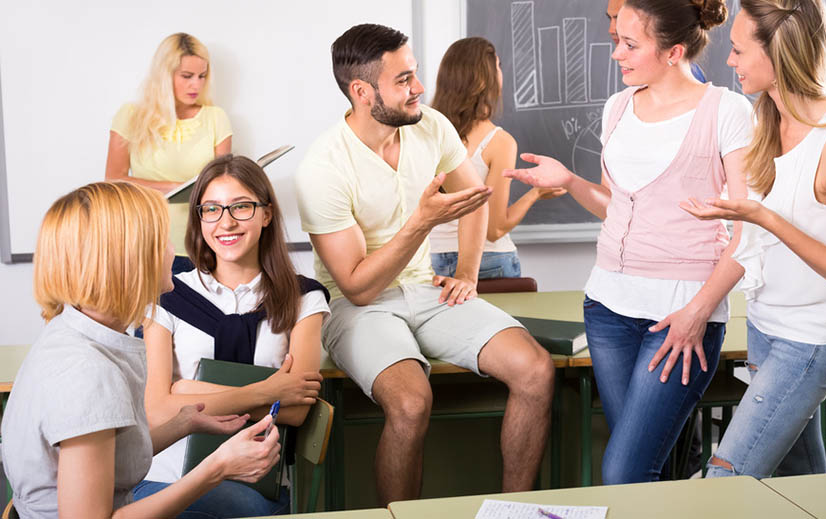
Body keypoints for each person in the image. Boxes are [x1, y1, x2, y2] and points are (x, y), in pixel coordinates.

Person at [294, 23, 555, 505]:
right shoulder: (322, 167)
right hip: (357, 308)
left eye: (414, 74)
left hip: (426, 289)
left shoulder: (429, 124)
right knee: (412, 403)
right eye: (403, 80)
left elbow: (474, 198)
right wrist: (419, 225)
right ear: (361, 91)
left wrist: (469, 274)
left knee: (536, 370)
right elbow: (357, 288)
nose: (418, 88)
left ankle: (513, 513)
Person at [506, 0, 753, 484]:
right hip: (608, 307)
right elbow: (614, 205)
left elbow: (750, 232)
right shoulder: (617, 107)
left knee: (623, 471)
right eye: (617, 40)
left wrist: (698, 314)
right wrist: (571, 181)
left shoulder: (727, 110)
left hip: (681, 311)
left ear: (673, 51)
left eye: (630, 44)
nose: (616, 53)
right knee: (642, 471)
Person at [0, 182, 280, 518]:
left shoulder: (70, 331)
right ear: (129, 260)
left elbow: (110, 459)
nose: (172, 251)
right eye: (162, 240)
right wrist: (216, 468)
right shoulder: (87, 373)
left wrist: (183, 423)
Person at [686, 0, 826, 479]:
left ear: (778, 54)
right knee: (801, 477)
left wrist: (766, 219)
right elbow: (747, 241)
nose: (728, 61)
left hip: (812, 339)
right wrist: (693, 309)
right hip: (765, 327)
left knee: (725, 478)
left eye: (737, 50)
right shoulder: (764, 122)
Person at [135, 155, 330, 517]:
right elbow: (157, 410)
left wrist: (187, 390)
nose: (226, 222)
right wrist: (269, 391)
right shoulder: (166, 294)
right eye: (211, 209)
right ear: (200, 218)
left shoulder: (304, 298)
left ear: (266, 214)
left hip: (255, 476)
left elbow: (297, 409)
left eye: (241, 207)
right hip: (167, 474)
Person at [428, 37, 565, 279]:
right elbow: (494, 229)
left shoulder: (423, 133)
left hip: (430, 261)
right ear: (483, 80)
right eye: (498, 66)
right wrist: (536, 193)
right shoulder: (498, 142)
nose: (501, 73)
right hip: (488, 261)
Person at [105, 32, 232, 261]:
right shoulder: (131, 116)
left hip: (203, 244)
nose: (196, 84)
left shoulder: (216, 118)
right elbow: (114, 179)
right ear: (164, 76)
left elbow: (224, 183)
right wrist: (176, 188)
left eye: (202, 76)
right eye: (187, 76)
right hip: (147, 244)